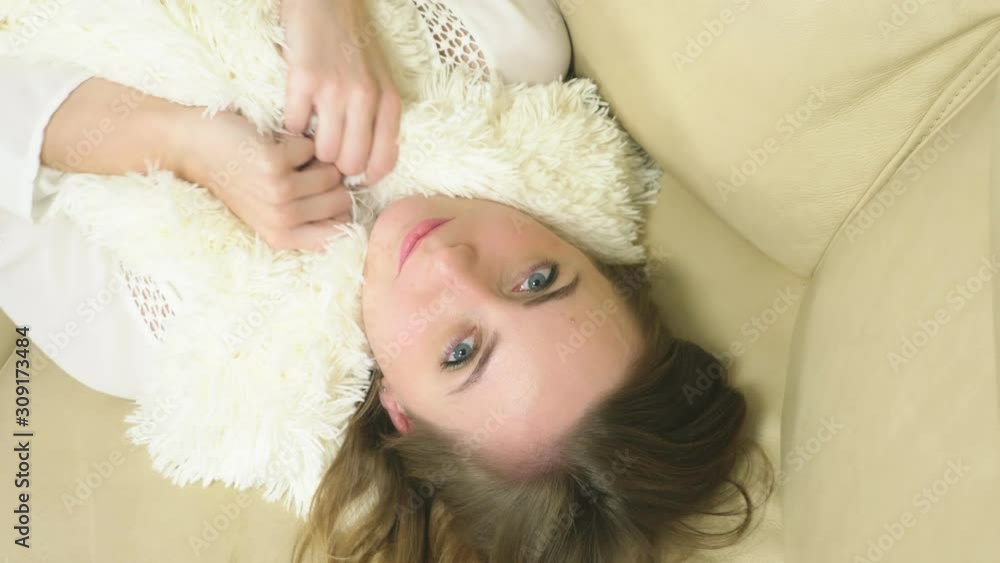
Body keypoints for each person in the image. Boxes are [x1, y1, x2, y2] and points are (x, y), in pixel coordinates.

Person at [0, 0, 766, 561]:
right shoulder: (502, 44)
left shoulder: (157, 338)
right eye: (538, 279)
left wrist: (181, 143)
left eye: (460, 352)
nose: (450, 264)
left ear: (400, 411)